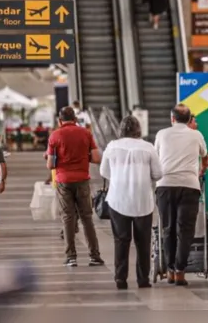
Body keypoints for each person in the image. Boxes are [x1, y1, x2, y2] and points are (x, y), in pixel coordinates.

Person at [100, 116, 163, 290]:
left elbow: (103, 171)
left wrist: (121, 177)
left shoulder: (112, 147)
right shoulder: (148, 147)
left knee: (121, 240)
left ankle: (120, 279)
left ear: (121, 129)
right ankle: (143, 280)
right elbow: (158, 174)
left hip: (118, 200)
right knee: (143, 242)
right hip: (142, 200)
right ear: (138, 129)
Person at [154, 104, 207, 286]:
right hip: (189, 186)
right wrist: (202, 169)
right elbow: (205, 155)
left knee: (168, 229)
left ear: (172, 118)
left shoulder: (162, 134)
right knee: (185, 230)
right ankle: (180, 271)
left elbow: (156, 157)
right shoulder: (196, 135)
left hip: (165, 185)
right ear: (189, 119)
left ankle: (169, 269)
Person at [47, 107, 104, 267]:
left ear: (60, 120)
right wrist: (82, 158)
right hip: (82, 180)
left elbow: (50, 164)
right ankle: (94, 256)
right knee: (87, 218)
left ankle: (71, 257)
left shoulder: (55, 135)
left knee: (68, 218)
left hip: (63, 181)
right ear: (75, 119)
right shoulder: (85, 133)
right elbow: (96, 158)